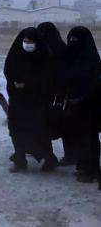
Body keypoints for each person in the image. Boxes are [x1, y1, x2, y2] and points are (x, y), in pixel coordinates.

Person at [4, 27, 58, 173]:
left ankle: (49, 159)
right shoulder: (16, 53)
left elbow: (48, 77)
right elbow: (8, 69)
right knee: (16, 130)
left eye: (30, 42)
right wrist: (15, 82)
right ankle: (20, 160)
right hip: (18, 100)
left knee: (39, 131)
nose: (27, 44)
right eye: (25, 41)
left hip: (37, 101)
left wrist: (28, 83)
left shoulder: (44, 55)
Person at [63, 26, 100, 183]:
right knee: (79, 137)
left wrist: (82, 98)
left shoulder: (92, 60)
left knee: (89, 139)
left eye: (76, 40)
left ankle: (91, 170)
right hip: (73, 104)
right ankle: (83, 166)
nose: (72, 43)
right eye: (70, 39)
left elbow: (95, 84)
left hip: (89, 106)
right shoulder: (70, 58)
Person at [36, 22, 73, 166]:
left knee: (60, 124)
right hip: (54, 92)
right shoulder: (59, 47)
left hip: (58, 93)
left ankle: (67, 155)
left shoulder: (52, 50)